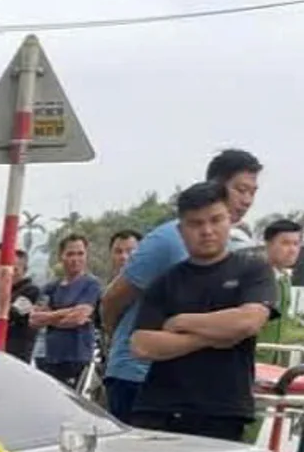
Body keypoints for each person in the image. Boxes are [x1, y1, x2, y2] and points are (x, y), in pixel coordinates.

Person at [101, 149, 262, 424]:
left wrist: (187, 327)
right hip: (140, 378)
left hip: (205, 391)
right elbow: (113, 299)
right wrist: (120, 343)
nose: (246, 200)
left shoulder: (243, 255)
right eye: (240, 190)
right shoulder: (167, 240)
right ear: (216, 187)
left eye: (252, 192)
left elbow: (247, 320)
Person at [129, 181, 276, 442]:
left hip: (223, 412)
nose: (207, 231)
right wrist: (216, 335)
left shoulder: (253, 270)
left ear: (229, 220)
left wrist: (182, 322)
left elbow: (248, 322)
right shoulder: (165, 282)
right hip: (159, 411)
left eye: (215, 220)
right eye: (195, 224)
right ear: (181, 230)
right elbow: (142, 345)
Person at [30, 234, 102, 387]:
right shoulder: (50, 288)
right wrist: (68, 312)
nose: (75, 259)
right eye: (70, 254)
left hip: (77, 357)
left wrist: (50, 317)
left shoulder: (91, 284)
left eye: (80, 253)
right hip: (49, 356)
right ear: (61, 256)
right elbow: (34, 320)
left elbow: (79, 318)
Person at [257, 218, 303, 362]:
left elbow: (282, 320)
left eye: (296, 244)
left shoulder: (284, 279)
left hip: (273, 361)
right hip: (252, 361)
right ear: (268, 244)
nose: (292, 250)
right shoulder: (255, 278)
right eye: (285, 243)